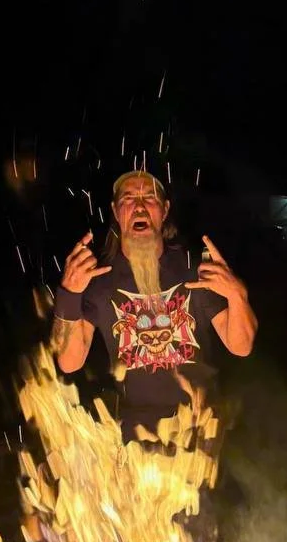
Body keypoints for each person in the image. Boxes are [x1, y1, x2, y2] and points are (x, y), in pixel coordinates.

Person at [50, 170, 257, 444]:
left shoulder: (193, 270)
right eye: (128, 198)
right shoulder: (100, 282)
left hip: (200, 429)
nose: (139, 206)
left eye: (149, 197)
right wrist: (68, 295)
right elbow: (68, 361)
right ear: (115, 210)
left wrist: (237, 295)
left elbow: (240, 346)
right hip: (136, 440)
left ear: (164, 209)